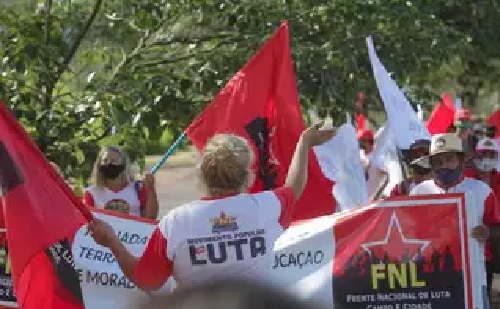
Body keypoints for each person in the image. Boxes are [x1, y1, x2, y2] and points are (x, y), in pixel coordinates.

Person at [87, 124, 334, 291]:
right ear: (247, 173)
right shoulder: (265, 206)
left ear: (203, 173)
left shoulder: (176, 222)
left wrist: (112, 242)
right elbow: (295, 187)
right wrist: (304, 142)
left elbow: (148, 280)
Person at [409, 133, 500, 301]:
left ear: (460, 161)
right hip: (431, 275)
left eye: (450, 160)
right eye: (438, 161)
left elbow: (497, 228)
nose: (445, 166)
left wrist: (487, 232)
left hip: (475, 273)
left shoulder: (482, 191)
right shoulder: (419, 193)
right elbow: (410, 232)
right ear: (431, 165)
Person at [83, 145, 159, 219]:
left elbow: (150, 218)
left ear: (123, 164)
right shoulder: (91, 193)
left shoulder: (138, 188)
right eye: (105, 160)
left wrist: (150, 189)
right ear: (99, 164)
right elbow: (87, 221)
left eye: (113, 161)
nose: (109, 163)